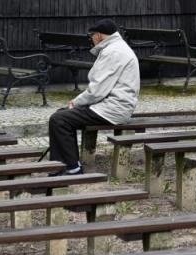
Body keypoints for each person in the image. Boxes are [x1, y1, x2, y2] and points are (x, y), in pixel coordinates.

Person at [47, 19, 140, 175]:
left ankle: (72, 167)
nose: (91, 39)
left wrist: (76, 102)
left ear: (98, 35)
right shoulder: (117, 47)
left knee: (59, 119)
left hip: (112, 108)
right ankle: (61, 164)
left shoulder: (113, 52)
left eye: (91, 35)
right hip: (114, 105)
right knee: (60, 115)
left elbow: (97, 90)